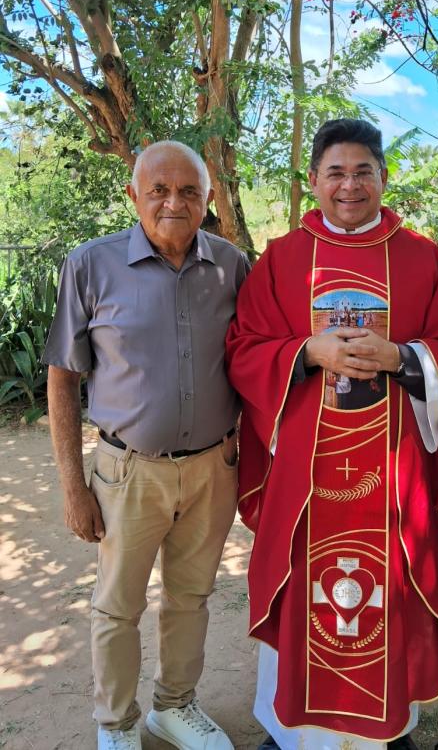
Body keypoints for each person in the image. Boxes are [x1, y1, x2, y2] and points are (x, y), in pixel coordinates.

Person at [226, 118, 438, 750]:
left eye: (364, 172)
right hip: (307, 473)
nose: (350, 185)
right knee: (307, 590)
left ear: (384, 178)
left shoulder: (421, 258)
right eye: (336, 172)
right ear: (313, 180)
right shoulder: (282, 258)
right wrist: (307, 351)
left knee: (387, 589)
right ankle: (292, 730)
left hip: (392, 472)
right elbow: (245, 348)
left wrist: (403, 358)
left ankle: (386, 727)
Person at [43, 141, 249, 750]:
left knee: (191, 598)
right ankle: (118, 723)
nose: (173, 203)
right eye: (158, 190)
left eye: (189, 191)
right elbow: (62, 374)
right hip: (127, 472)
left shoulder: (231, 265)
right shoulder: (91, 264)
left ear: (208, 199)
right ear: (134, 196)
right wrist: (73, 486)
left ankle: (174, 707)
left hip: (214, 467)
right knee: (118, 606)